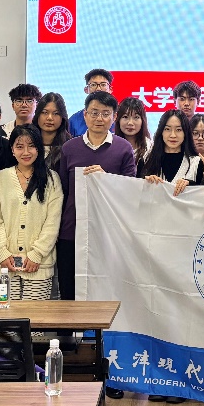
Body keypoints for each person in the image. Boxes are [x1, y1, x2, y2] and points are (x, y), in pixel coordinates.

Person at [57, 92, 137, 302]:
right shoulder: (69, 148)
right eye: (94, 113)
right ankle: (68, 326)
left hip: (108, 233)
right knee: (69, 292)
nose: (99, 118)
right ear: (84, 115)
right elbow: (64, 191)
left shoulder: (123, 149)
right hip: (72, 231)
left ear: (114, 117)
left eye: (105, 113)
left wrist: (105, 179)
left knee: (105, 293)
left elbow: (130, 191)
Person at [0, 124, 63, 300]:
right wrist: (2, 253)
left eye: (31, 146)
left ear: (39, 148)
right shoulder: (0, 177)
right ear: (12, 149)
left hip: (38, 265)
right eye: (20, 147)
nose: (26, 152)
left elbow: (52, 222)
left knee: (33, 316)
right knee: (4, 313)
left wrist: (37, 254)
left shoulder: (52, 179)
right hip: (4, 266)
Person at [144, 109, 200, 185]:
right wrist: (147, 183)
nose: (173, 135)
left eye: (178, 130)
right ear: (161, 132)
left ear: (185, 133)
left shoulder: (196, 162)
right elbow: (137, 189)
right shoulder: (147, 160)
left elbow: (202, 191)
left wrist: (190, 185)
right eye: (167, 129)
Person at [69, 69, 113, 136]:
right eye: (93, 85)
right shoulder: (74, 121)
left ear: (110, 89)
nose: (98, 89)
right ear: (86, 90)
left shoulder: (120, 119)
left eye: (103, 85)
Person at [36, 92, 71, 174]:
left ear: (62, 117)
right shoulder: (28, 142)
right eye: (45, 112)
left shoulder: (69, 146)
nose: (49, 118)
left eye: (56, 113)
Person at [116, 97, 152, 167]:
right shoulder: (110, 144)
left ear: (142, 120)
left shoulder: (150, 147)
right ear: (118, 119)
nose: (130, 123)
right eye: (125, 117)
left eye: (136, 117)